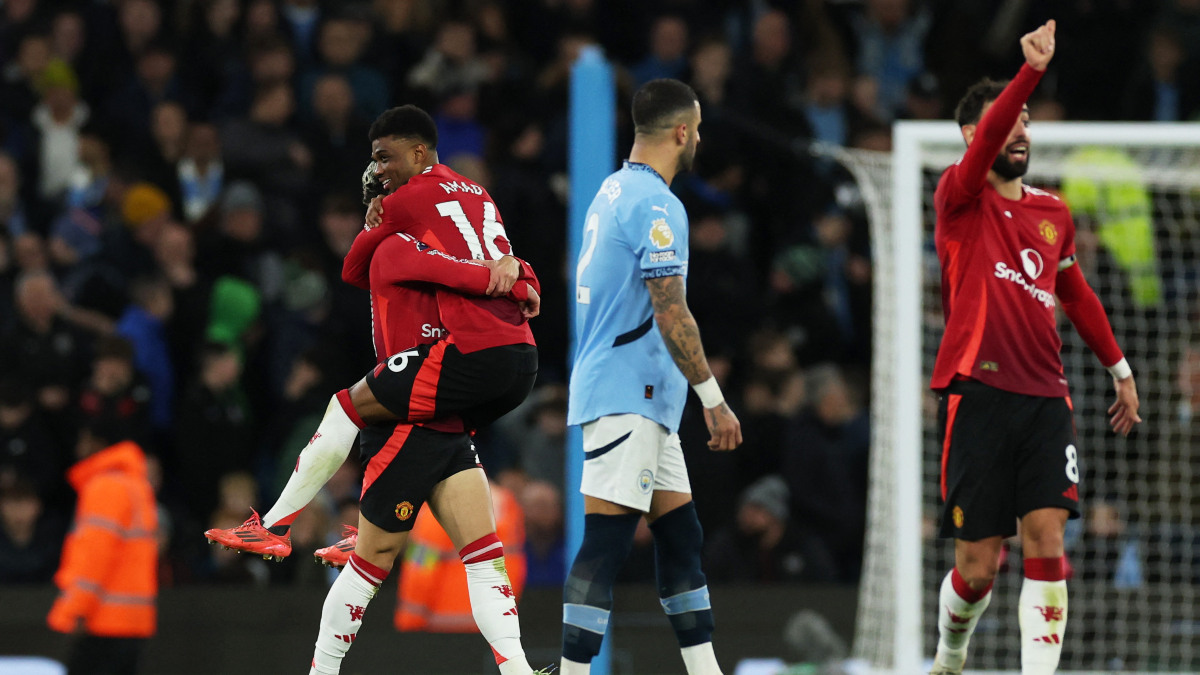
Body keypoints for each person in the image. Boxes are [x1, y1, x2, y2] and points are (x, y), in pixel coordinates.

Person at [204, 105, 548, 675]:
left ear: (419, 154)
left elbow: (355, 266)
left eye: (386, 158)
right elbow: (492, 262)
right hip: (496, 372)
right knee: (484, 556)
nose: (378, 170)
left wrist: (376, 215)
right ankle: (517, 672)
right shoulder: (477, 198)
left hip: (436, 384)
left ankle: (276, 526)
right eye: (373, 161)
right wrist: (520, 278)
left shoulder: (400, 222)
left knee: (347, 416)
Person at [928, 20, 1142, 675]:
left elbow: (1076, 295)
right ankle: (951, 652)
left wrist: (1120, 369)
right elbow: (990, 133)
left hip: (1047, 397)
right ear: (975, 137)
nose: (1021, 131)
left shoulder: (1053, 213)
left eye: (1027, 120)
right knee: (979, 567)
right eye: (1007, 122)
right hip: (979, 392)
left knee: (1048, 539)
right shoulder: (958, 198)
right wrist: (1029, 74)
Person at [564, 78, 742, 675]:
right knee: (607, 543)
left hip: (641, 396)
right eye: (698, 129)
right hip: (627, 393)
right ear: (682, 132)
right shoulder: (659, 205)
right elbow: (669, 307)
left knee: (680, 536)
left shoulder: (611, 191)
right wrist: (712, 398)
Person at [47, 419, 158, 675]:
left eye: (83, 440)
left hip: (102, 620)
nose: (78, 448)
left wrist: (71, 611)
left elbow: (93, 556)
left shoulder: (105, 487)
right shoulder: (136, 486)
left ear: (96, 443)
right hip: (133, 620)